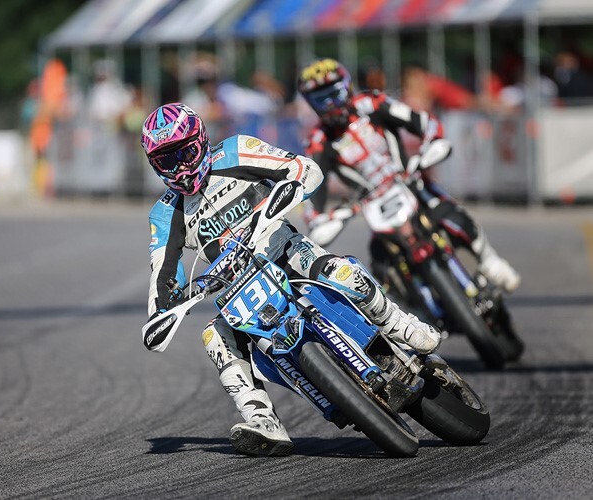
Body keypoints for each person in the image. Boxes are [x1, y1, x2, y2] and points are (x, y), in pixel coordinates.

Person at [141, 102, 442, 457]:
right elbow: (161, 278)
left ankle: (396, 322)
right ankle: (262, 420)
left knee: (339, 271)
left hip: (282, 249)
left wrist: (283, 195)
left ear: (202, 140)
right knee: (213, 336)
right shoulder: (163, 214)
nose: (179, 167)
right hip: (238, 289)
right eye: (166, 161)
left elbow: (305, 169)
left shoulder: (237, 150)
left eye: (185, 153)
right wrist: (164, 309)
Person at [297, 58, 520, 294]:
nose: (330, 104)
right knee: (380, 269)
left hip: (408, 181)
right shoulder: (317, 142)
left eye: (334, 93)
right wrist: (319, 219)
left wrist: (432, 142)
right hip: (372, 204)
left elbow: (422, 121)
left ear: (347, 86)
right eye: (321, 99)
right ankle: (416, 314)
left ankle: (490, 260)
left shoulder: (372, 103)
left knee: (454, 215)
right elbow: (313, 188)